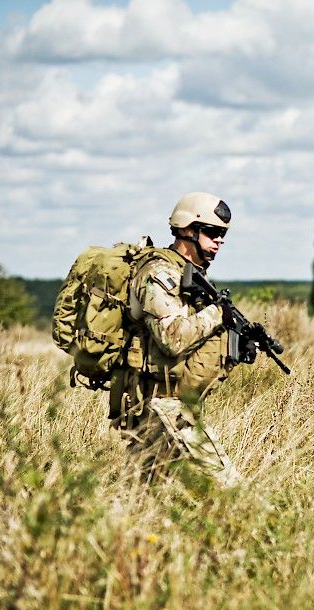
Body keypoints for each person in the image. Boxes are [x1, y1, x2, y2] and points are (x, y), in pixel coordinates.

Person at [117, 191, 241, 488]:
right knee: (229, 487)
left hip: (165, 398)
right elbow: (172, 338)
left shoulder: (187, 275)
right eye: (212, 233)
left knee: (144, 491)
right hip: (161, 401)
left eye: (222, 235)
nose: (219, 241)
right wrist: (218, 315)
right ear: (187, 230)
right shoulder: (158, 272)